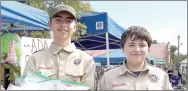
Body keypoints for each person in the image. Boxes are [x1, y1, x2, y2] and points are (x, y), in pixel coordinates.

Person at [23, 4, 95, 88]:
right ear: (49, 24)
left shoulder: (86, 61)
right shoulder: (35, 59)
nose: (63, 24)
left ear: (75, 27)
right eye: (58, 20)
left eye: (68, 21)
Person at [98, 26, 173, 90]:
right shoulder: (108, 77)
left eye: (142, 45)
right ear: (123, 49)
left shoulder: (162, 76)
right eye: (131, 45)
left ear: (149, 49)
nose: (137, 49)